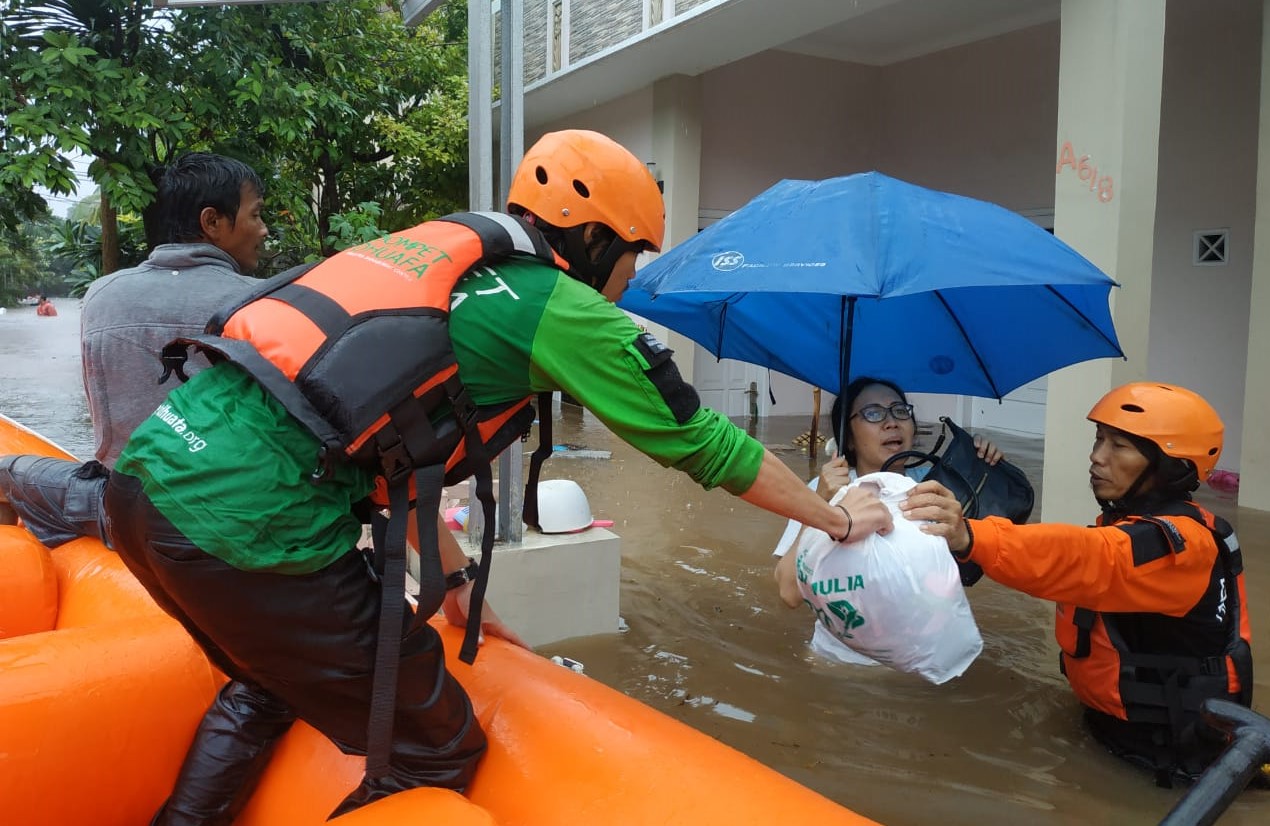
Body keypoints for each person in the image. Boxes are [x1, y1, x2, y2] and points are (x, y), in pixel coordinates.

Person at [85, 129, 894, 824]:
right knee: (435, 744)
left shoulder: (426, 255)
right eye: (636, 255)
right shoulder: (566, 310)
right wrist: (837, 520)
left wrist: (459, 583)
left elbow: (389, 457)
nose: (633, 279)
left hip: (142, 495)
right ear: (599, 239)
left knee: (265, 687)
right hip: (247, 532)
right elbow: (705, 443)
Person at [906, 381, 1253, 786]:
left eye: (1118, 447)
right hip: (1124, 735)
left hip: (1171, 763)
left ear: (1169, 466)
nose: (1096, 457)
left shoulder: (1179, 544)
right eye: (1099, 440)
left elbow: (1087, 558)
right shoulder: (1133, 524)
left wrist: (971, 535)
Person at [0, 153, 266, 547]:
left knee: (4, 474)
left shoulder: (101, 295)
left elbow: (102, 419)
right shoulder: (266, 301)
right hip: (236, 513)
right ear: (212, 222)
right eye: (256, 215)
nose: (264, 230)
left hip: (123, 511)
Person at [772, 377, 1002, 623]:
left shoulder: (935, 486)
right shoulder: (823, 490)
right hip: (845, 638)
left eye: (900, 411)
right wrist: (820, 504)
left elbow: (984, 558)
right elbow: (789, 593)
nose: (891, 422)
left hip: (926, 638)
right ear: (848, 437)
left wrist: (985, 469)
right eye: (873, 414)